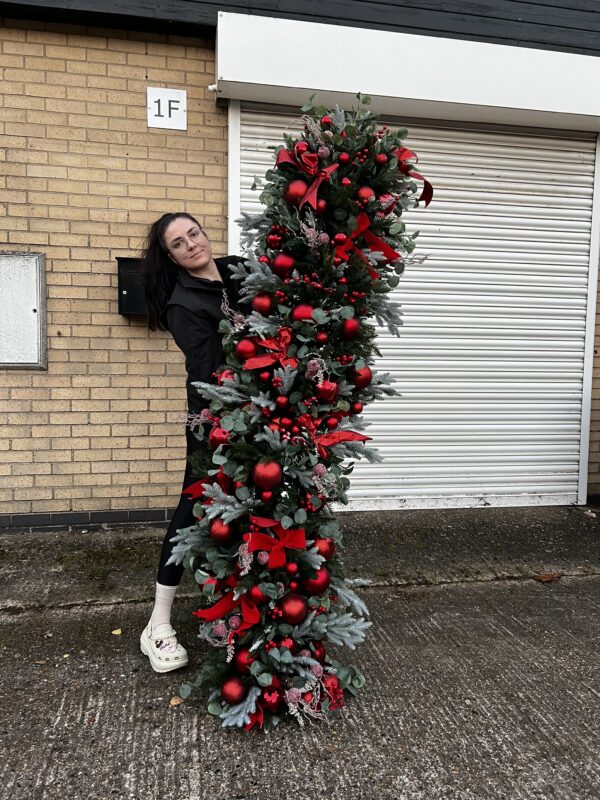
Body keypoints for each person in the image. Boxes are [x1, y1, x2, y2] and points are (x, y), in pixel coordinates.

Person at [139, 212, 242, 673]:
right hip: (212, 419)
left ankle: (248, 608)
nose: (191, 245)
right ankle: (157, 625)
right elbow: (210, 374)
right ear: (171, 255)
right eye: (178, 243)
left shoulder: (239, 270)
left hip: (263, 416)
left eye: (193, 234)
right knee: (193, 506)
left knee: (250, 508)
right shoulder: (183, 304)